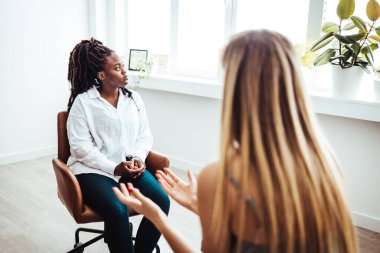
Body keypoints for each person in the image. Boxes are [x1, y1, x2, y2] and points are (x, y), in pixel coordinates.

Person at [113, 30, 358, 253]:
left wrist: (157, 218)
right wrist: (204, 208)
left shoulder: (221, 177)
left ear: (236, 91)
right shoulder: (326, 166)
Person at [66, 38, 170, 253]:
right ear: (101, 75)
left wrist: (139, 159)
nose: (124, 71)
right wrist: (114, 168)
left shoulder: (134, 99)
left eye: (122, 65)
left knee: (161, 201)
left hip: (129, 167)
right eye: (117, 67)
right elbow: (80, 148)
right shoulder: (83, 103)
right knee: (116, 207)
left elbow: (144, 135)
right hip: (92, 169)